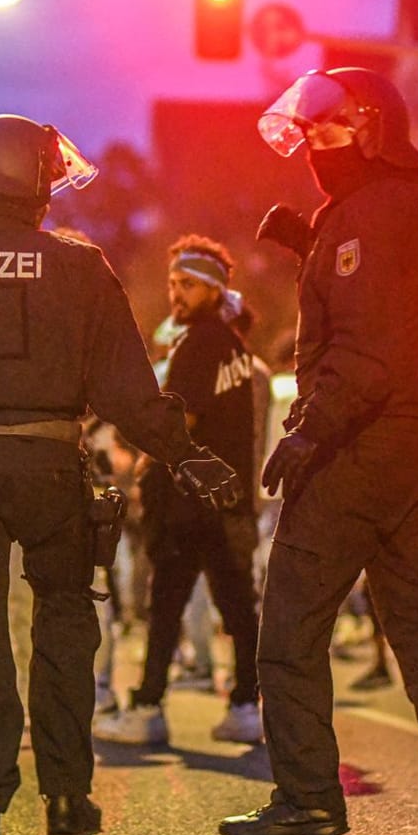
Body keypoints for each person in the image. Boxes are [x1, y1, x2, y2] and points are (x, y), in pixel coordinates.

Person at [0, 114, 239, 835]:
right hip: (52, 469)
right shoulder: (78, 266)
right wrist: (184, 454)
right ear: (29, 181)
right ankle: (66, 797)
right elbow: (130, 390)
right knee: (65, 628)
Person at [222, 67, 418, 835]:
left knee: (290, 631)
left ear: (373, 128)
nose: (313, 147)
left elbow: (368, 346)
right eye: (306, 133)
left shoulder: (365, 213)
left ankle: (308, 796)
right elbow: (408, 318)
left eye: (327, 130)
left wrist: (312, 430)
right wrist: (316, 244)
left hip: (355, 447)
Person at [95, 236, 263, 746]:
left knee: (166, 605)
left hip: (190, 500)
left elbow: (179, 428)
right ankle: (244, 706)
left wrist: (146, 466)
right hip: (227, 498)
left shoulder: (199, 344)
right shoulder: (234, 344)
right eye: (172, 284)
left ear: (214, 289)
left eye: (187, 285)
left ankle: (148, 708)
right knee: (236, 607)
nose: (176, 294)